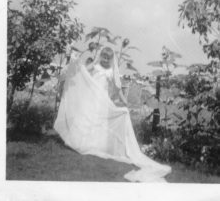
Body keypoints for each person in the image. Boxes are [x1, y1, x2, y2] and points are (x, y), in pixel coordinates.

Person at [53, 47, 171, 182]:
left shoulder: (111, 71)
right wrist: (75, 62)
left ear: (111, 59)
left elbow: (117, 88)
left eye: (108, 58)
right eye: (103, 56)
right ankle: (80, 142)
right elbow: (84, 72)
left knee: (98, 121)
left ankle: (94, 145)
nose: (105, 59)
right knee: (86, 118)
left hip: (102, 100)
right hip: (91, 97)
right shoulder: (95, 65)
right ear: (100, 56)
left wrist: (125, 101)